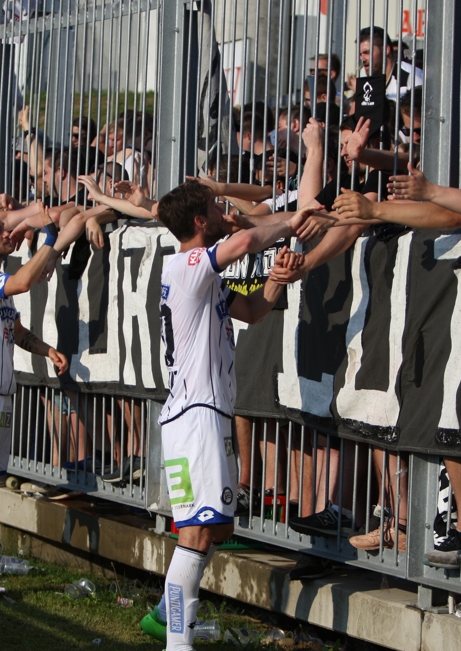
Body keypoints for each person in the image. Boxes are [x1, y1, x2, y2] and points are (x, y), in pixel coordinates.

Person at [139, 181, 306, 649]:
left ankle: (163, 614)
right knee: (195, 531)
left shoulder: (200, 275)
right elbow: (247, 241)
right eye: (215, 207)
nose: (223, 212)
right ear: (199, 222)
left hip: (196, 414)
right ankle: (177, 640)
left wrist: (277, 277)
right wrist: (293, 220)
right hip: (196, 416)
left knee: (213, 528)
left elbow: (252, 311)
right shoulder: (190, 263)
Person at [0, 207, 87, 596]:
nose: (7, 234)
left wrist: (46, 350)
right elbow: (26, 281)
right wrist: (48, 236)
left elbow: (17, 329)